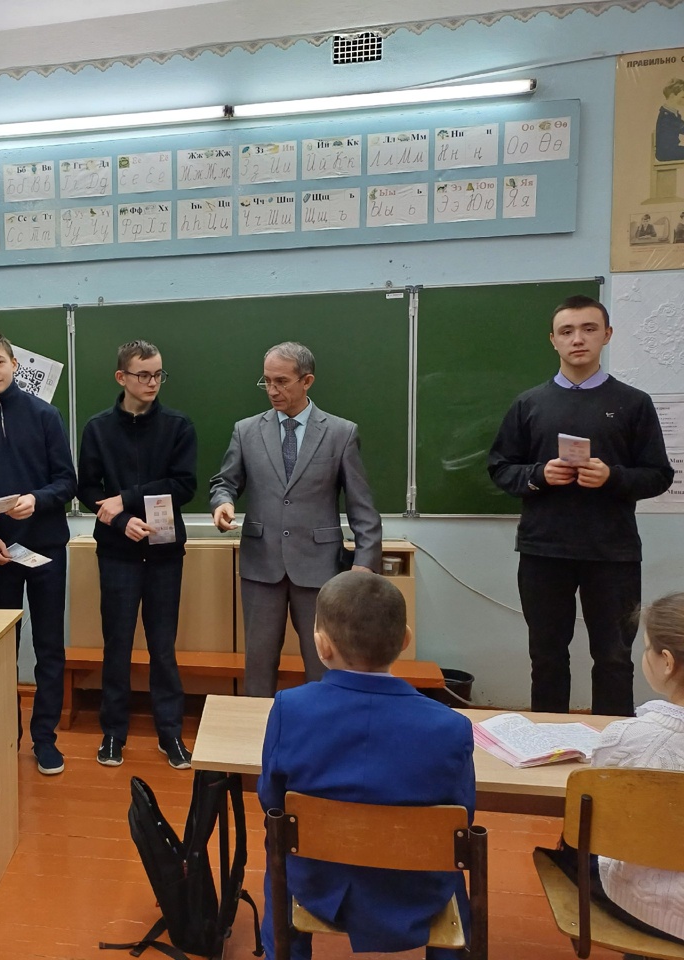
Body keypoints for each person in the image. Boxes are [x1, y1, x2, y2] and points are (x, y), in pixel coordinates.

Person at [258, 570, 475, 960]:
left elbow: (271, 801)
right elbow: (462, 817)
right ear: (405, 640)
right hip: (415, 890)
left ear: (321, 645)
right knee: (450, 851)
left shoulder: (291, 709)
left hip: (317, 884)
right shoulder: (451, 727)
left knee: (279, 839)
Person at [488, 295, 674, 716]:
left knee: (614, 658)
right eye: (567, 331)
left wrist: (613, 477)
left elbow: (659, 474)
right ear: (553, 340)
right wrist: (539, 475)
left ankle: (612, 743)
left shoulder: (633, 403)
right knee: (547, 658)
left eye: (589, 329)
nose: (578, 339)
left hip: (613, 553)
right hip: (543, 551)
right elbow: (500, 467)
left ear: (607, 335)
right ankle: (548, 741)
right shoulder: (529, 404)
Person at [209, 341, 382, 697]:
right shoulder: (246, 431)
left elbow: (361, 506)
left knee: (323, 664)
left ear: (307, 381)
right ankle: (260, 729)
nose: (272, 390)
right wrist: (222, 503)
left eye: (282, 382)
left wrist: (364, 565)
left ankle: (321, 728)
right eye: (267, 381)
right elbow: (225, 482)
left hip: (320, 568)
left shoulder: (340, 433)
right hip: (261, 566)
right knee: (258, 664)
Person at [0, 329, 77, 776]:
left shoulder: (46, 415)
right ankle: (8, 734)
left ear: (14, 364)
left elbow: (67, 482)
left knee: (49, 645)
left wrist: (37, 500)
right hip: (1, 552)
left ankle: (45, 739)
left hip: (46, 548)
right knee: (3, 648)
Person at [537, 591, 684, 952]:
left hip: (648, 905)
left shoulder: (629, 738)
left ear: (667, 662)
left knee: (574, 843)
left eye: (647, 648)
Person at [77, 340, 197, 769]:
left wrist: (127, 499)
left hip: (165, 552)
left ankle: (171, 734)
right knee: (118, 645)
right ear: (121, 377)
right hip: (117, 552)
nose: (152, 382)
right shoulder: (98, 428)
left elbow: (184, 485)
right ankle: (113, 733)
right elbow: (87, 489)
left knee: (163, 646)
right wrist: (121, 520)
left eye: (158, 374)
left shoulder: (178, 425)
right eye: (143, 374)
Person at [655, 78, 684, 163]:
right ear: (672, 96)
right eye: (683, 97)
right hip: (666, 152)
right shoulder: (666, 115)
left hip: (670, 150)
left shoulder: (672, 113)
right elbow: (682, 127)